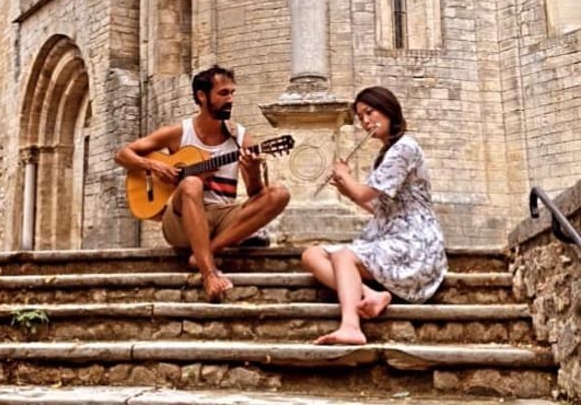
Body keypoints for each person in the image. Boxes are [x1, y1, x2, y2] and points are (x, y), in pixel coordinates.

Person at [115, 65, 290, 302]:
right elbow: (123, 155)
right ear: (201, 96)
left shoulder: (239, 137)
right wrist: (155, 166)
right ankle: (209, 274)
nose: (230, 99)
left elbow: (255, 194)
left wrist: (253, 170)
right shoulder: (179, 132)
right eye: (223, 93)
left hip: (223, 218)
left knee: (279, 194)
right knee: (191, 185)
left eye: (232, 93)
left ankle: (206, 252)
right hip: (181, 221)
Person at [302, 86, 447, 345]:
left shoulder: (405, 148)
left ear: (388, 109)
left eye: (370, 112)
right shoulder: (384, 155)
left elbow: (364, 194)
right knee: (311, 254)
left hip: (415, 244)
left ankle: (350, 326)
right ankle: (370, 294)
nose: (366, 121)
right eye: (360, 117)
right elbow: (382, 209)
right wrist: (348, 192)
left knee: (344, 256)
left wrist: (348, 179)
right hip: (391, 237)